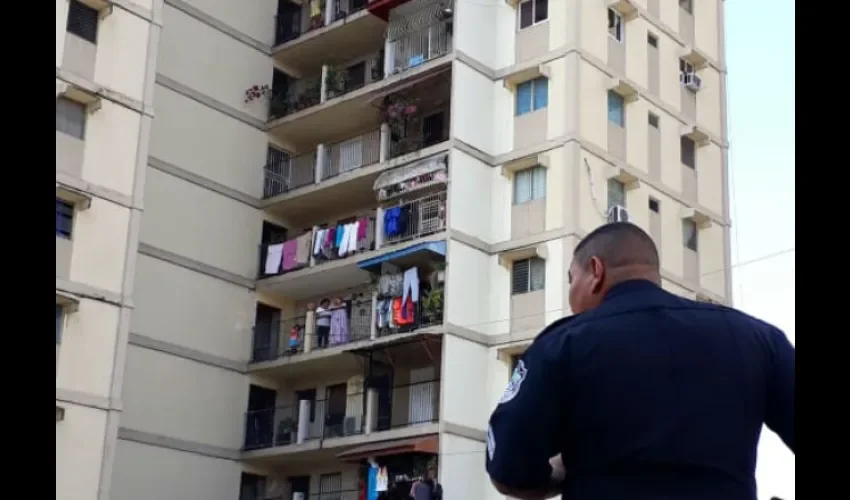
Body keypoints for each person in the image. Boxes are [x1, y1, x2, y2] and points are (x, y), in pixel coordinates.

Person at [485, 222, 795, 500]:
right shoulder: (758, 339)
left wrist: (557, 475)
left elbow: (509, 469)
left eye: (571, 280)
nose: (571, 293)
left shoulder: (563, 344)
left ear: (596, 271)